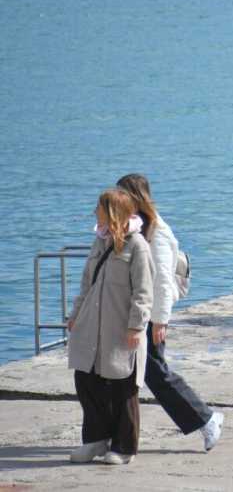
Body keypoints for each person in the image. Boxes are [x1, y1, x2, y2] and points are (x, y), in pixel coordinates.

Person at [116, 174, 224, 452]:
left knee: (155, 372)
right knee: (123, 374)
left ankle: (206, 419)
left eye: (122, 194)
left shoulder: (157, 231)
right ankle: (115, 435)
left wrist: (160, 320)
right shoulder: (132, 227)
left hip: (149, 315)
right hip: (129, 312)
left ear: (135, 197)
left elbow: (163, 279)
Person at [67, 189, 154, 464]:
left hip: (121, 329)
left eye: (100, 207)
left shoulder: (137, 246)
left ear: (113, 211)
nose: (95, 211)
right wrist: (75, 314)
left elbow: (144, 292)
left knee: (123, 388)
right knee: (86, 381)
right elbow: (86, 282)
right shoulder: (100, 241)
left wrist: (135, 327)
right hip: (91, 327)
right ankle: (95, 440)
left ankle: (124, 447)